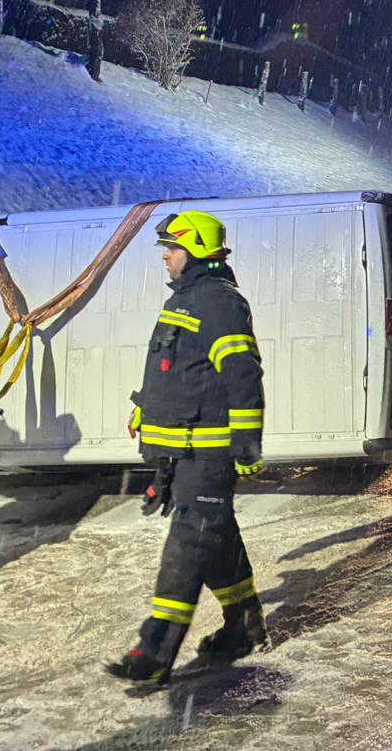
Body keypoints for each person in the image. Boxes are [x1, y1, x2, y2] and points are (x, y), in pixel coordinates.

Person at [108, 210, 268, 684]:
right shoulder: (187, 300)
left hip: (207, 455)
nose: (165, 256)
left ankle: (154, 652)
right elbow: (177, 369)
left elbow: (242, 374)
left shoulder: (218, 302)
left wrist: (245, 445)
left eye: (172, 248)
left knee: (188, 547)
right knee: (214, 541)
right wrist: (146, 409)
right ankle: (245, 624)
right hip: (183, 453)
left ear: (196, 249)